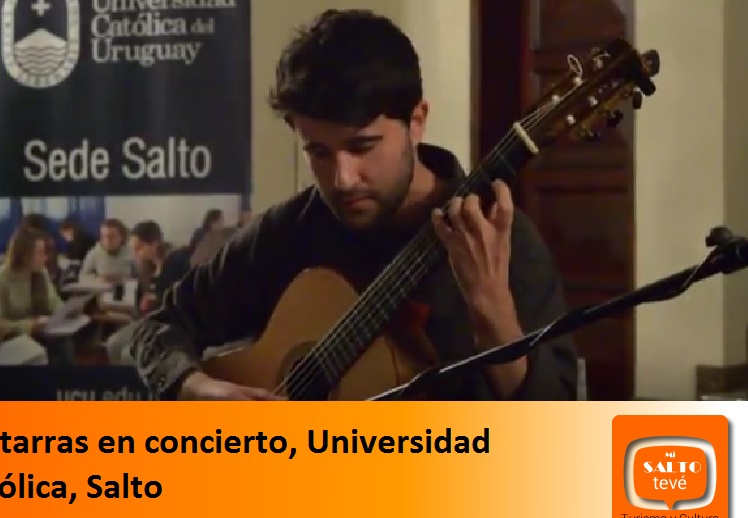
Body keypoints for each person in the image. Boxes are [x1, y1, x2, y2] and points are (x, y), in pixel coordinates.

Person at [130, 9, 578, 401]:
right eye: (318, 153)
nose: (342, 179)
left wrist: (492, 310)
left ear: (416, 121)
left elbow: (554, 433)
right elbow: (158, 328)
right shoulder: (293, 230)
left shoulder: (501, 241)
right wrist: (196, 387)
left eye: (362, 147)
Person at [104, 221, 191, 364]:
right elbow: (141, 302)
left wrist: (156, 300)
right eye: (133, 249)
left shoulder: (176, 263)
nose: (136, 254)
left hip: (171, 325)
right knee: (113, 343)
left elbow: (180, 302)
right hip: (148, 321)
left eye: (139, 248)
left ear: (155, 243)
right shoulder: (146, 267)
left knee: (128, 355)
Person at [0, 228, 75, 365]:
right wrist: (30, 325)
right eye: (40, 253)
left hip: (40, 332)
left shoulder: (40, 273)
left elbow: (54, 302)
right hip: (12, 338)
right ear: (24, 255)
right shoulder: (0, 279)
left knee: (63, 343)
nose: (46, 258)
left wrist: (67, 312)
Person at [79, 218, 136, 283]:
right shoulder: (94, 253)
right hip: (101, 289)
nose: (107, 241)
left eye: (112, 237)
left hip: (126, 289)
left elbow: (140, 277)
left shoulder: (132, 251)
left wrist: (122, 279)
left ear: (122, 237)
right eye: (104, 236)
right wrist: (99, 279)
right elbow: (83, 276)